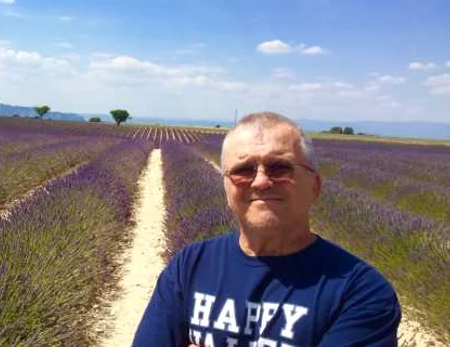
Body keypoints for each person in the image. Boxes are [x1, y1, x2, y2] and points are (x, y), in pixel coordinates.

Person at [132, 112, 401, 347]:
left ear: (315, 186)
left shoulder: (360, 291)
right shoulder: (190, 265)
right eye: (243, 170)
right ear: (226, 188)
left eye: (279, 168)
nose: (260, 181)